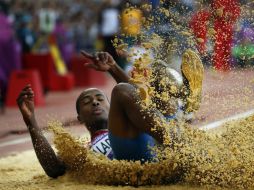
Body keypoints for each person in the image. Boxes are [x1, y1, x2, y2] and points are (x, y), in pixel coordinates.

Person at [17, 50, 203, 178]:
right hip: (131, 156)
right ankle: (182, 145)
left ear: (110, 107)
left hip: (156, 139)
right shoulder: (81, 149)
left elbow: (138, 96)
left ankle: (185, 99)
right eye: (87, 102)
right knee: (123, 90)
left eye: (99, 98)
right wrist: (30, 121)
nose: (95, 102)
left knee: (158, 77)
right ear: (80, 118)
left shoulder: (139, 113)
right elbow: (54, 170)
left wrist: (113, 67)